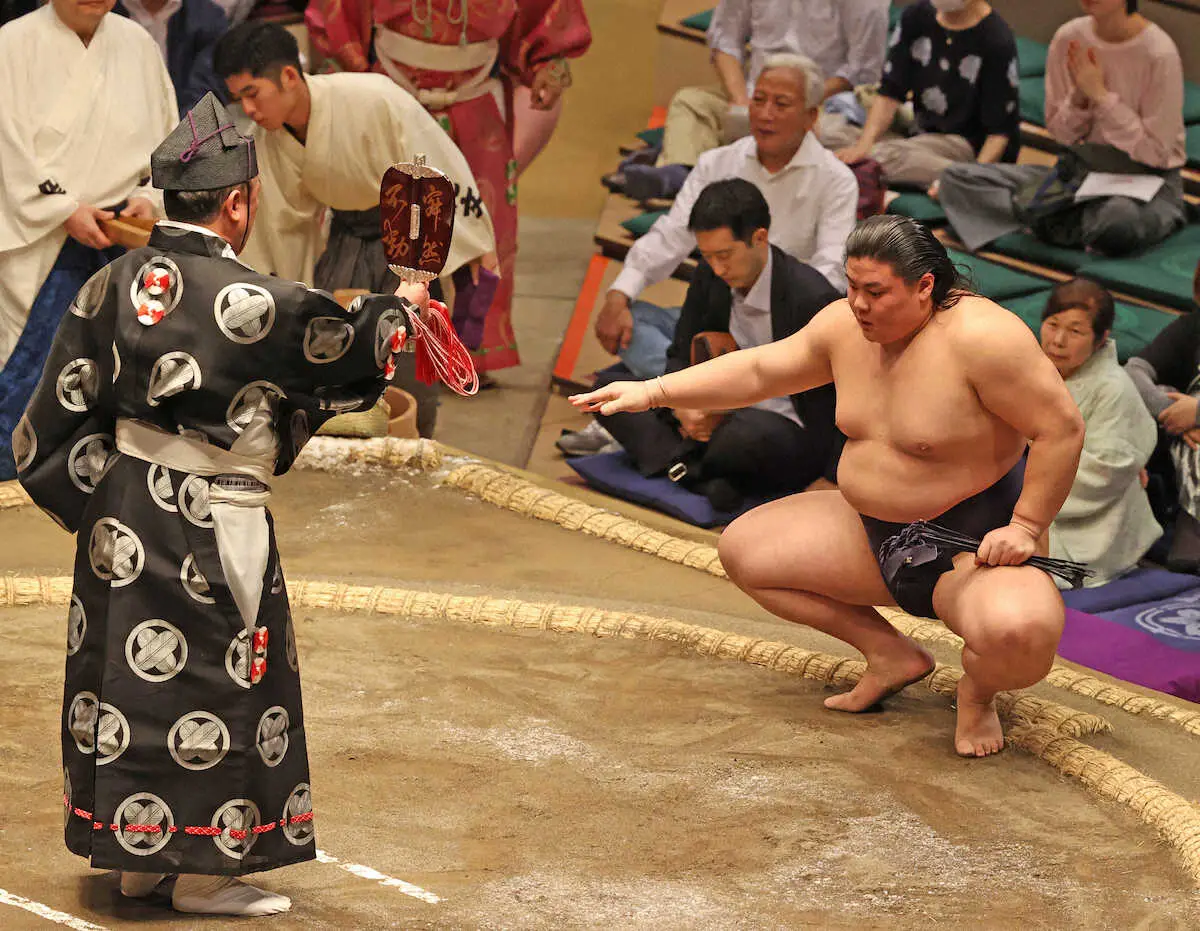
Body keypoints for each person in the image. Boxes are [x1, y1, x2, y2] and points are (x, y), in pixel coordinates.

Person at [14, 92, 429, 916]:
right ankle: (204, 870)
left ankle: (136, 858)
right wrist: (402, 309)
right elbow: (342, 350)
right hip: (215, 513)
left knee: (127, 681)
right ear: (237, 202)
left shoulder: (111, 283)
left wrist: (109, 499)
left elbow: (44, 426)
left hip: (123, 514)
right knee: (218, 675)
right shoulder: (248, 299)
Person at [572, 215, 1085, 757]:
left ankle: (977, 696)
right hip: (872, 532)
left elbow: (1061, 428)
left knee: (1021, 633)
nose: (858, 304)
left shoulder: (986, 339)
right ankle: (891, 655)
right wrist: (653, 392)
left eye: (875, 292)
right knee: (744, 551)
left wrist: (1027, 526)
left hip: (971, 542)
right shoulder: (846, 326)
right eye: (852, 287)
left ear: (925, 286)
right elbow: (761, 371)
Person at [214, 21, 496, 435]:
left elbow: (439, 174)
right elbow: (280, 228)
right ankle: (342, 442)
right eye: (240, 99)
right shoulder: (269, 140)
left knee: (405, 350)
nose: (249, 111)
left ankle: (412, 439)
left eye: (252, 94)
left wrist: (462, 256)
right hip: (345, 239)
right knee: (329, 344)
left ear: (289, 77)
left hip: (408, 244)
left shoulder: (373, 98)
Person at [305, 0, 592, 375]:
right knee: (388, 226)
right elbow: (338, 14)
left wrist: (548, 63)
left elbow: (548, 13)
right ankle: (381, 339)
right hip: (390, 94)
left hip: (474, 101)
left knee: (482, 227)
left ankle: (471, 352)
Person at [0, 0, 178, 479]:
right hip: (40, 237)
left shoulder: (137, 44)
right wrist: (63, 210)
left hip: (124, 237)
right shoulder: (10, 46)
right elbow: (7, 149)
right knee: (30, 370)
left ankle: (111, 483)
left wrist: (148, 196)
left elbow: (167, 141)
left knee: (119, 374)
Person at [587, 179, 842, 510]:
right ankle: (703, 473)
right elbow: (680, 350)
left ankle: (683, 465)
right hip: (717, 407)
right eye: (707, 257)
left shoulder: (811, 296)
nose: (718, 268)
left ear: (759, 238)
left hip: (783, 423)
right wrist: (682, 407)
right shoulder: (710, 275)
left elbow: (849, 393)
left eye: (725, 255)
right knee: (609, 393)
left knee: (744, 438)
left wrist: (834, 475)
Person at [594, 54, 859, 365]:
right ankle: (700, 394)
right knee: (633, 323)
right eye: (758, 100)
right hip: (715, 320)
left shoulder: (837, 181)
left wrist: (764, 314)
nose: (765, 113)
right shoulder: (718, 163)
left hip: (781, 334)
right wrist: (618, 294)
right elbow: (672, 235)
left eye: (781, 104)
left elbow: (830, 275)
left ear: (811, 117)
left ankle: (687, 391)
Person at [938, 0, 1186, 256]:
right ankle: (1066, 224)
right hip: (1076, 176)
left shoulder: (1158, 52)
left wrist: (1101, 98)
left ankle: (1043, 220)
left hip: (1147, 181)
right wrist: (1079, 98)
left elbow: (1156, 151)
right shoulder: (1069, 38)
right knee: (956, 179)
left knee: (1117, 219)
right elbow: (1061, 134)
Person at [616, 0, 889, 203]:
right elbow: (724, 40)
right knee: (691, 102)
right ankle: (680, 173)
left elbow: (862, 71)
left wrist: (796, 100)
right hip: (755, 92)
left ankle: (692, 166)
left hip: (821, 102)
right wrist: (742, 101)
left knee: (819, 134)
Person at [829, 0, 1020, 195]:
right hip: (918, 131)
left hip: (965, 145)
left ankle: (959, 179)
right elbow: (890, 92)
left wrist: (973, 179)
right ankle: (924, 174)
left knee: (883, 156)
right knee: (826, 134)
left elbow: (999, 133)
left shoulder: (996, 41)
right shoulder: (916, 17)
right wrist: (863, 145)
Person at [1039, 279, 1160, 586]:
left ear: (1101, 338)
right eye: (1052, 325)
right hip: (1020, 486)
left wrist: (1020, 465)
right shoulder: (1030, 366)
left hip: (1089, 520)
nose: (1058, 340)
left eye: (1076, 331)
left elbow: (1106, 470)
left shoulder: (1114, 388)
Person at [1124, 259, 1200, 572]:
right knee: (1166, 391)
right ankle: (1192, 529)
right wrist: (1175, 416)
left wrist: (1196, 412)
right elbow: (1134, 371)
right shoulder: (1192, 326)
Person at [116, 0, 231, 113]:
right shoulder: (105, 10)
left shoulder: (207, 17)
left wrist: (180, 129)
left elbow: (207, 92)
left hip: (178, 120)